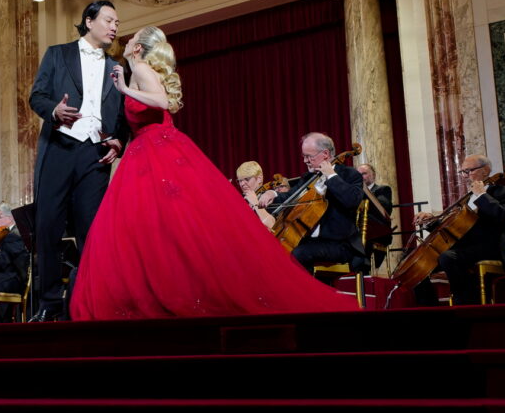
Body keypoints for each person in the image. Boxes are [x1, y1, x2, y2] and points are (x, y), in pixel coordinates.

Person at [70, 26, 358, 320]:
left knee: (165, 226)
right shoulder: (136, 70)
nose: (127, 39)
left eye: (132, 38)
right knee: (159, 228)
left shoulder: (141, 69)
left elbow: (162, 101)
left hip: (157, 151)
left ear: (138, 49)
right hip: (145, 151)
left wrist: (124, 90)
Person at [29, 0, 126, 322]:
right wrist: (54, 110)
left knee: (93, 230)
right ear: (89, 21)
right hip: (59, 146)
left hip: (95, 154)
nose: (114, 27)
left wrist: (119, 139)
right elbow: (37, 96)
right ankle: (49, 303)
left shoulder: (117, 66)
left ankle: (88, 301)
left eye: (117, 22)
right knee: (48, 227)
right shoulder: (57, 54)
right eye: (109, 20)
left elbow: (123, 114)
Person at [412, 154, 505, 305]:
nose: (465, 176)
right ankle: (431, 311)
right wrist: (430, 221)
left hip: (490, 246)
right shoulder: (466, 198)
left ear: (485, 170)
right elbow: (454, 227)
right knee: (418, 264)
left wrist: (482, 195)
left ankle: (466, 305)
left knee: (448, 257)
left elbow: (504, 216)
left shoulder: (503, 191)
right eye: (463, 172)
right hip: (465, 247)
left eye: (469, 171)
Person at [276, 133, 366, 274]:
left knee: (299, 254)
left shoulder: (349, 175)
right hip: (309, 242)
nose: (305, 160)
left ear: (325, 154)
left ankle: (304, 295)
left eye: (309, 156)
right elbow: (289, 196)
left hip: (339, 244)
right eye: (304, 156)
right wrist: (272, 194)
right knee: (276, 251)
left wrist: (331, 176)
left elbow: (352, 201)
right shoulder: (309, 177)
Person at [357, 163, 393, 269]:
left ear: (373, 175)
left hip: (377, 233)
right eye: (358, 174)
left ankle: (363, 271)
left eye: (364, 173)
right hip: (359, 231)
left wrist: (365, 193)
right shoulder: (354, 192)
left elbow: (384, 207)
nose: (361, 177)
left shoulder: (383, 189)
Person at [235, 161, 276, 229]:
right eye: (240, 180)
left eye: (246, 179)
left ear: (259, 179)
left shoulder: (270, 197)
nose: (242, 184)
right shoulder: (240, 200)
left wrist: (255, 202)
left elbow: (273, 227)